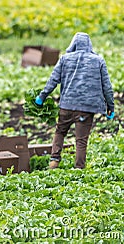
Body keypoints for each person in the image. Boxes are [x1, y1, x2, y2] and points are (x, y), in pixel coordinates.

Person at [35, 32, 115, 169]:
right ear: (89, 45)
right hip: (86, 109)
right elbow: (106, 86)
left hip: (67, 106)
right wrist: (111, 106)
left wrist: (42, 97)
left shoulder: (64, 59)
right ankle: (79, 169)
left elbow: (53, 80)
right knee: (81, 140)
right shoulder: (98, 60)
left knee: (60, 131)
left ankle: (54, 160)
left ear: (73, 44)